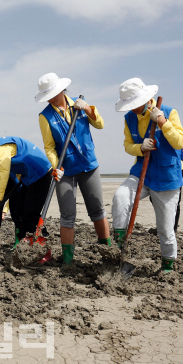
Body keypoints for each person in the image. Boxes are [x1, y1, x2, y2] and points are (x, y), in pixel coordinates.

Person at [111, 78, 183, 274]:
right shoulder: (129, 118)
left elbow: (179, 142)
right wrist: (140, 148)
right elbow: (127, 144)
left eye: (134, 105)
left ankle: (168, 265)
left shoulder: (169, 112)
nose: (132, 109)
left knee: (165, 227)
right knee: (120, 197)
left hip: (166, 174)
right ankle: (120, 246)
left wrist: (162, 122)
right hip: (141, 171)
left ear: (146, 99)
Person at [35, 72, 112, 266]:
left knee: (97, 209)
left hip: (88, 164)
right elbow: (49, 146)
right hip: (65, 169)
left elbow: (100, 124)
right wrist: (56, 166)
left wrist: (86, 108)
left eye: (54, 93)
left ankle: (108, 251)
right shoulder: (45, 116)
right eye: (48, 95)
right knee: (67, 214)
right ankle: (68, 260)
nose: (52, 98)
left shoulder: (80, 105)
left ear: (62, 89)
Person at [0, 133, 53, 254]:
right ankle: (23, 246)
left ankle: (43, 247)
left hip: (41, 173)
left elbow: (3, 174)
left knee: (30, 212)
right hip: (28, 178)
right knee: (18, 212)